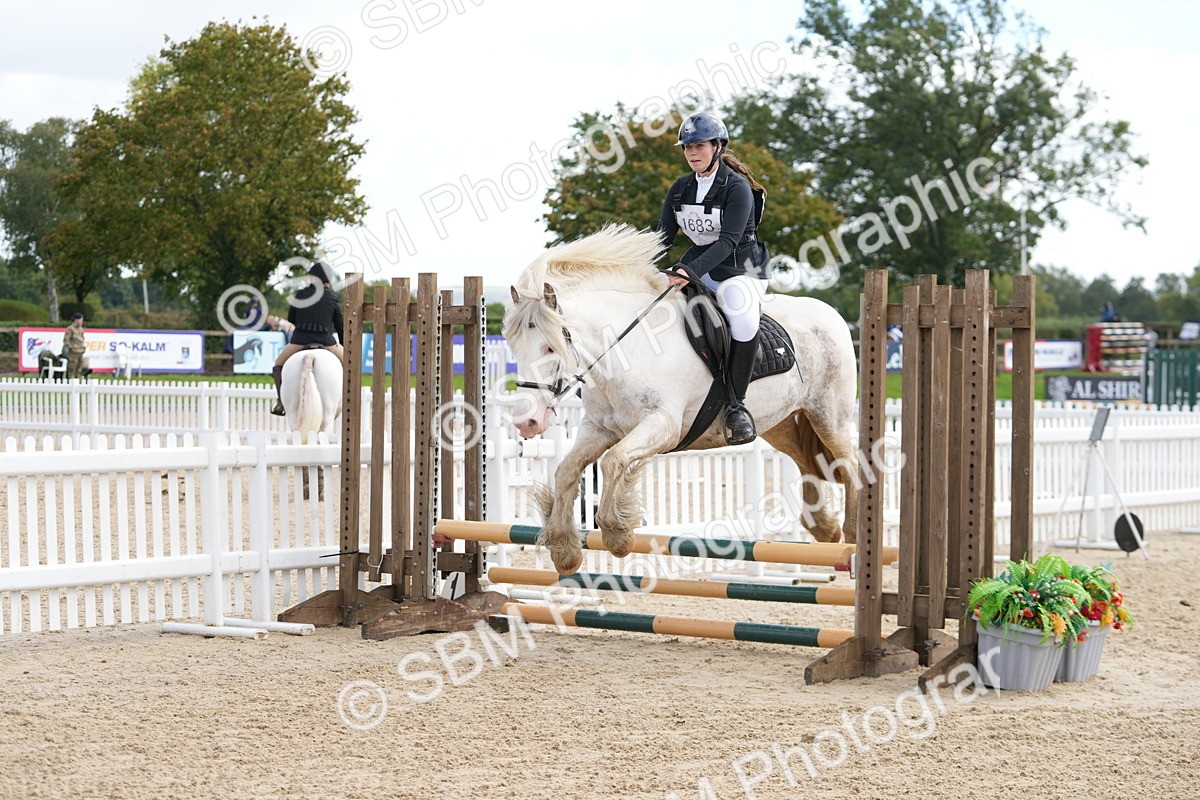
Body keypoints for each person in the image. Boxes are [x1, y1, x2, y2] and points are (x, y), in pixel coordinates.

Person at [657, 111, 770, 445]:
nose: (692, 152)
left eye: (699, 145)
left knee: (743, 315)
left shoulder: (737, 189)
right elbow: (662, 239)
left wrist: (687, 271)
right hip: (701, 265)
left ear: (718, 146)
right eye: (687, 147)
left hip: (741, 269)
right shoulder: (680, 189)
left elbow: (728, 242)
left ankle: (737, 406)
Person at [271, 261, 344, 416]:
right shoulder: (333, 299)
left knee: (278, 365)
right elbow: (341, 328)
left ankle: (281, 402)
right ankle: (350, 400)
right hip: (326, 342)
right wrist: (345, 346)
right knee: (353, 365)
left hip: (300, 341)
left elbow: (291, 318)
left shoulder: (301, 295)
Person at [62, 312, 87, 380]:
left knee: (79, 368)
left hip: (80, 351)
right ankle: (71, 382)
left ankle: (76, 381)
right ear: (76, 320)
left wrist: (83, 347)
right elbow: (66, 340)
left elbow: (81, 339)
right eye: (80, 319)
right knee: (72, 368)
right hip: (73, 352)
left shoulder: (81, 329)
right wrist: (71, 348)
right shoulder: (70, 329)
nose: (81, 321)